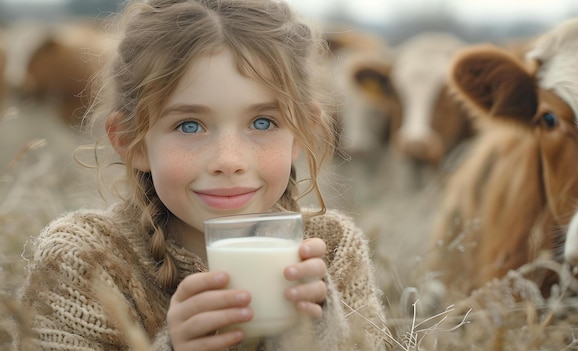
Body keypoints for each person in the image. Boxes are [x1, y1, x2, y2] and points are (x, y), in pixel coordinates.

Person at [17, 0, 389, 350]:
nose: (229, 161)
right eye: (190, 126)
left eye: (263, 122)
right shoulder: (85, 261)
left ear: (301, 134)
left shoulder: (333, 252)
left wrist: (317, 333)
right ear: (133, 143)